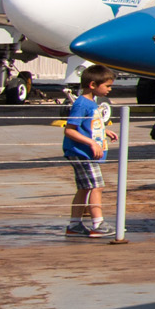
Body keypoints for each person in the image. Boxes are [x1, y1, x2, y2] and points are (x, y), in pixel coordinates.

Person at [63, 64, 116, 239]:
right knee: (96, 186)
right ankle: (98, 224)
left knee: (85, 188)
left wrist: (104, 131)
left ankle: (74, 225)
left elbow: (87, 125)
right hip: (82, 153)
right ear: (93, 84)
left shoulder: (91, 103)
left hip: (85, 152)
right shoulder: (82, 104)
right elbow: (70, 130)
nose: (109, 89)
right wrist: (92, 143)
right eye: (107, 86)